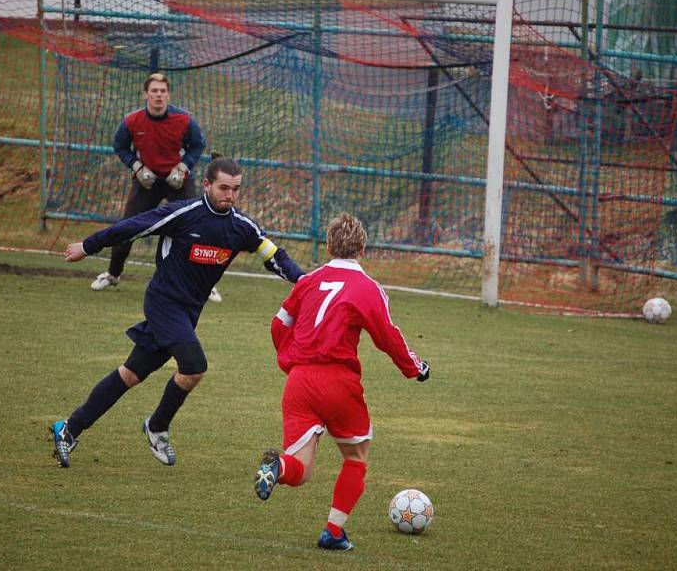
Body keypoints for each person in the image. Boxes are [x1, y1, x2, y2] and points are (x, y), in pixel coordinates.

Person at [50, 155, 304, 468]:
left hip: (188, 313)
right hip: (163, 303)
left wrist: (305, 281)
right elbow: (133, 226)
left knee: (130, 374)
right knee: (194, 366)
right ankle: (157, 426)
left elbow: (274, 255)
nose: (230, 195)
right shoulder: (183, 213)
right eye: (224, 187)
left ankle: (69, 428)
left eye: (236, 189)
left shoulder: (242, 228)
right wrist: (88, 246)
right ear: (208, 185)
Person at [253, 213, 430, 551]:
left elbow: (279, 323)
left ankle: (278, 466)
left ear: (329, 245)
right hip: (338, 381)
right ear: (362, 247)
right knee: (356, 457)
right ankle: (333, 532)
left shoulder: (307, 281)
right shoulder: (367, 288)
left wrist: (290, 360)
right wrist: (416, 367)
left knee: (300, 470)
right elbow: (388, 336)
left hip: (300, 381)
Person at [91, 71, 222, 303]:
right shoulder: (132, 121)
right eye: (154, 91)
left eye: (163, 91)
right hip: (147, 181)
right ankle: (112, 274)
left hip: (177, 181)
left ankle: (206, 284)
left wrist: (183, 167)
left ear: (168, 95)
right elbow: (120, 146)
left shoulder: (184, 120)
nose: (158, 96)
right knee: (126, 228)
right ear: (146, 94)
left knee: (197, 228)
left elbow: (198, 144)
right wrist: (137, 166)